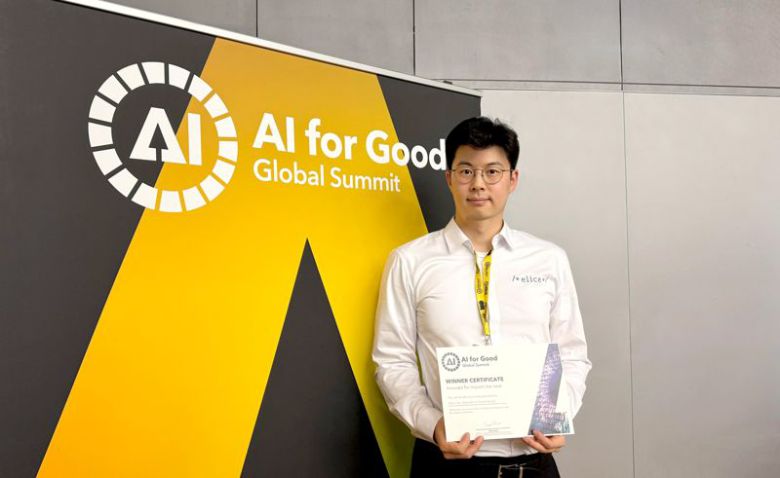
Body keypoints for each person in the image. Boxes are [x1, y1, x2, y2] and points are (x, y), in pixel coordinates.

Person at [372, 117, 591, 478]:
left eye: (492, 172)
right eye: (466, 171)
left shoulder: (549, 259)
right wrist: (432, 424)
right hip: (445, 464)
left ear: (512, 179)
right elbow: (392, 361)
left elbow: (572, 353)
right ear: (449, 177)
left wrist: (559, 410)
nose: (478, 184)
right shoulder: (410, 261)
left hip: (533, 462)